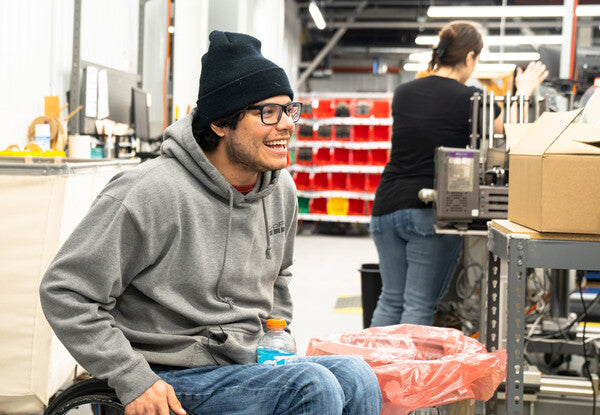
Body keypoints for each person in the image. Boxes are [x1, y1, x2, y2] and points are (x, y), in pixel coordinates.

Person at [40, 30, 382, 415]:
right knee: (311, 387)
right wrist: (132, 377)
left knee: (357, 375)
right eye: (267, 112)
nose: (286, 123)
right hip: (163, 375)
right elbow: (66, 291)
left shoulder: (281, 189)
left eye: (289, 109)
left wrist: (277, 335)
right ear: (220, 123)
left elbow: (279, 274)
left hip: (244, 365)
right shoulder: (150, 191)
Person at [369, 21, 548, 327]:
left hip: (385, 208)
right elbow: (506, 129)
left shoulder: (403, 92)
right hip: (428, 211)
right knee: (418, 305)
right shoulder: (469, 97)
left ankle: (373, 372)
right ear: (468, 58)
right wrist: (524, 91)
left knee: (390, 299)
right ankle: (408, 376)